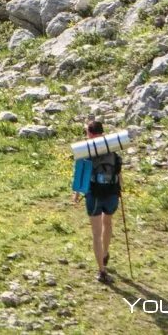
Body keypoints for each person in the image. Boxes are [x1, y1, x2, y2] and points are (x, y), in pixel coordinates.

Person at [73, 118, 122, 283]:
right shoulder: (112, 149)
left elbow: (80, 174)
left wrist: (77, 195)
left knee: (96, 233)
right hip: (112, 193)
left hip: (94, 194)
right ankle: (105, 253)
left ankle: (101, 271)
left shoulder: (85, 151)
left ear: (90, 134)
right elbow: (119, 173)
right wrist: (119, 192)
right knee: (107, 223)